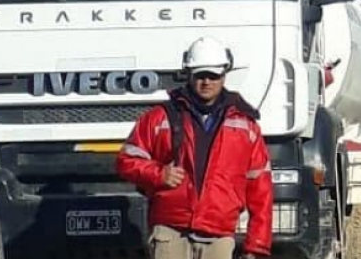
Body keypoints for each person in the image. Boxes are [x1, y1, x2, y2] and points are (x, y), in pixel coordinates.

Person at [116, 37, 272, 259]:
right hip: (170, 228)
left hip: (218, 231)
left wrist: (257, 245)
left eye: (213, 75)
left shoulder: (246, 126)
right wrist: (160, 174)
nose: (206, 81)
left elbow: (260, 187)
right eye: (200, 75)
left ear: (224, 74)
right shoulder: (160, 118)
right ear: (188, 74)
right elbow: (126, 161)